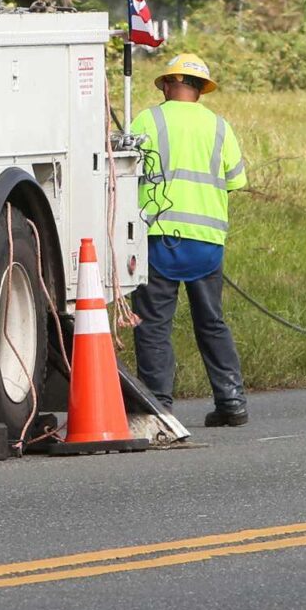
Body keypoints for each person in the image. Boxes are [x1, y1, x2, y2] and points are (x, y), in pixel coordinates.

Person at [127, 52, 251, 427]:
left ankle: (158, 407)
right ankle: (231, 402)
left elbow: (125, 173)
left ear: (167, 84)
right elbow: (235, 181)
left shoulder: (148, 119)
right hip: (208, 241)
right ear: (200, 90)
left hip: (159, 237)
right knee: (212, 322)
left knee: (153, 325)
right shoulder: (219, 127)